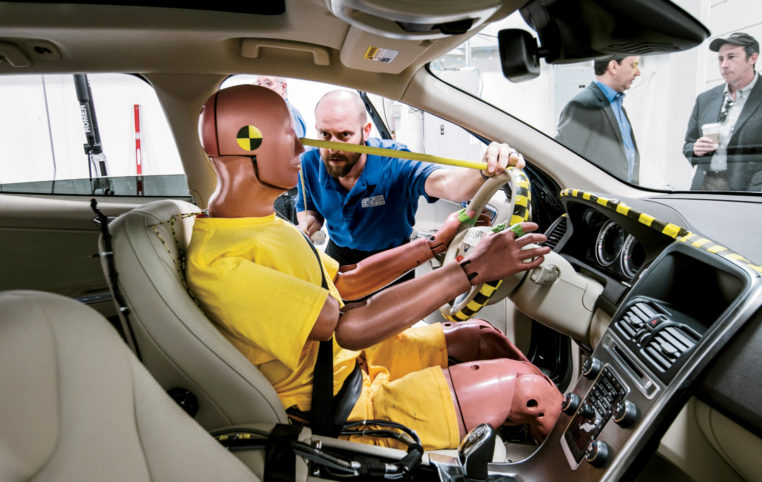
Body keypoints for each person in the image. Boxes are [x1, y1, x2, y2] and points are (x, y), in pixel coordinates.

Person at [187, 84, 562, 451]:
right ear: (247, 145)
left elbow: (346, 283)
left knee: (482, 336)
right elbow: (347, 326)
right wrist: (470, 269)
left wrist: (436, 243)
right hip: (337, 409)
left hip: (343, 363)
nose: (305, 149)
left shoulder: (263, 223)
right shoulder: (221, 262)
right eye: (292, 137)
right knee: (530, 391)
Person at [295, 89, 524, 272]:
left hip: (394, 258)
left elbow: (447, 183)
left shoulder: (395, 161)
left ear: (365, 131)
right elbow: (308, 208)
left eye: (344, 135)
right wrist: (309, 223)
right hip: (339, 255)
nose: (333, 147)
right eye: (325, 135)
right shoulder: (309, 163)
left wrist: (486, 169)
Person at [682, 32, 762, 192]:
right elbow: (688, 144)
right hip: (703, 186)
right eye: (720, 59)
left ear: (752, 58)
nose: (724, 65)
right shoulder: (704, 99)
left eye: (731, 57)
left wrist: (755, 191)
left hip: (748, 191)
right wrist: (695, 150)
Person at [556, 56, 641, 183]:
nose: (638, 72)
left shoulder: (619, 108)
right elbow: (565, 163)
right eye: (633, 65)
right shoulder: (583, 105)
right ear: (613, 67)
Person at [256, 75, 307, 223]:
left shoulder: (287, 114)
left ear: (283, 87)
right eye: (259, 84)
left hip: (286, 195)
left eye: (268, 83)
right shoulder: (270, 114)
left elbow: (291, 155)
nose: (262, 88)